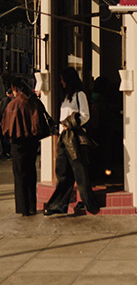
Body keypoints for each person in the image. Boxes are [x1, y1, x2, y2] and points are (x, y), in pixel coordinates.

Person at [44, 67, 100, 216]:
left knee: (79, 172)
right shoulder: (66, 97)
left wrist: (69, 124)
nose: (61, 82)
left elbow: (85, 115)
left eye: (63, 79)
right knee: (62, 171)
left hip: (74, 138)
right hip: (64, 138)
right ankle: (58, 204)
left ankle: (90, 203)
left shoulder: (79, 95)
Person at [0, 77, 43, 216]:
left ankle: (23, 207)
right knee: (31, 172)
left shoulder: (12, 105)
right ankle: (32, 205)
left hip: (17, 143)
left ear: (14, 88)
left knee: (19, 175)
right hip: (32, 142)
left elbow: (5, 127)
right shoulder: (32, 103)